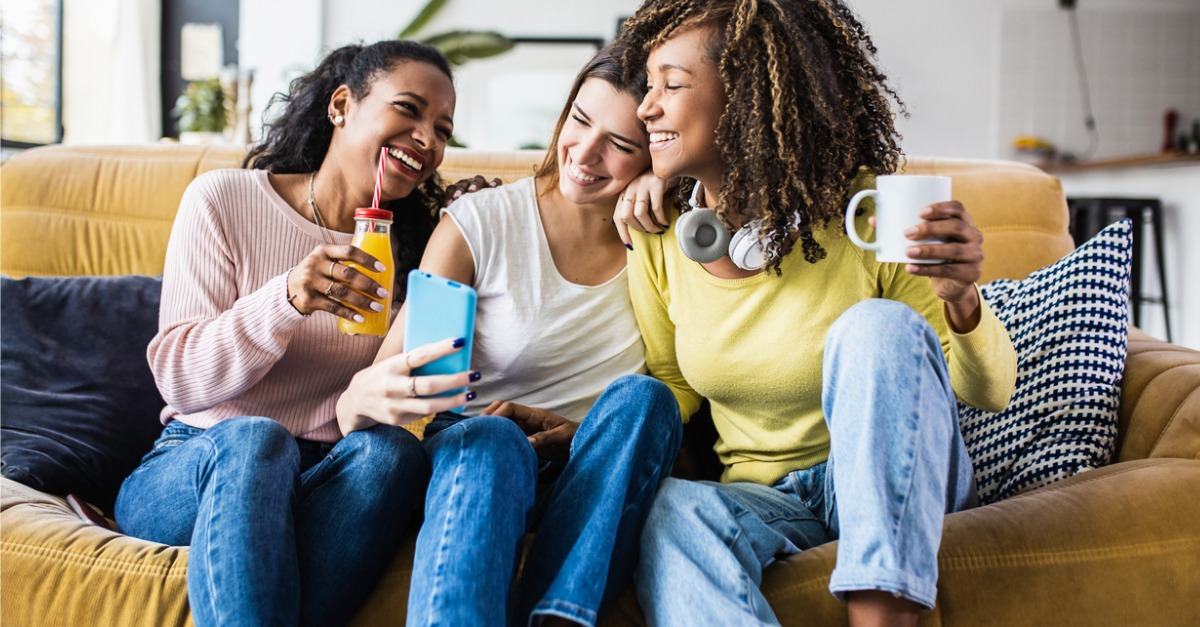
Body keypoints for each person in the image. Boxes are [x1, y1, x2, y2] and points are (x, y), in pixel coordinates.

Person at [610, 2, 1017, 626]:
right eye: (648, 85)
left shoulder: (869, 212)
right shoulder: (661, 235)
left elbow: (987, 391)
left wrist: (961, 296)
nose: (645, 107)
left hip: (895, 474)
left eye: (672, 84)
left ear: (743, 99)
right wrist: (585, 429)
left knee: (874, 326)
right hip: (767, 498)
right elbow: (673, 383)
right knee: (671, 509)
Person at [114, 40, 475, 627]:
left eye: (442, 129)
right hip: (200, 462)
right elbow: (178, 381)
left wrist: (468, 235)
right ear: (340, 105)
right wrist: (286, 299)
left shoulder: (418, 250)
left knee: (392, 457)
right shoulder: (224, 200)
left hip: (326, 478)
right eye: (408, 110)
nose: (427, 139)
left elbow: (416, 389)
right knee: (257, 439)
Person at [336, 47, 683, 627]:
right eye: (579, 120)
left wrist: (583, 435)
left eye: (622, 145)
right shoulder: (482, 223)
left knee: (647, 400)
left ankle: (558, 616)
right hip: (478, 458)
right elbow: (381, 386)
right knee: (493, 438)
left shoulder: (664, 242)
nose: (586, 154)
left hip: (592, 468)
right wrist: (366, 398)